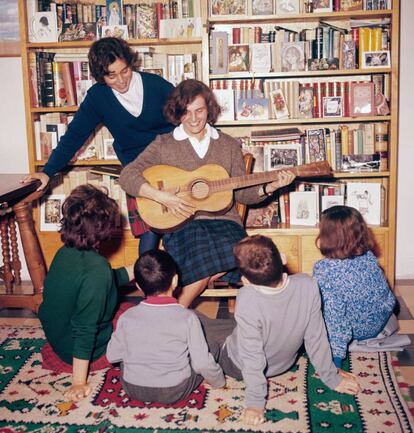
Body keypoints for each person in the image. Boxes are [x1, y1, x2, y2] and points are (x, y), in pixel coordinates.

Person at [119, 79, 295, 308]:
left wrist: (270, 187)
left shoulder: (227, 145)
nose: (193, 118)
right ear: (177, 112)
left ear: (209, 109)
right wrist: (160, 196)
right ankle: (184, 306)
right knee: (202, 244)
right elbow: (127, 175)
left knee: (239, 251)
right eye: (186, 112)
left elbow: (243, 195)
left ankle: (173, 311)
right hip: (182, 225)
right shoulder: (163, 144)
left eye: (199, 110)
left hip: (224, 224)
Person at [23, 37, 174, 254]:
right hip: (138, 172)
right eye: (111, 75)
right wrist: (47, 172)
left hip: (173, 164)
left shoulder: (156, 85)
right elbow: (74, 136)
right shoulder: (98, 97)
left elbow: (189, 115)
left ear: (131, 64)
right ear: (100, 76)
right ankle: (149, 285)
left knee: (177, 230)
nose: (122, 80)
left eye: (125, 71)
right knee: (150, 232)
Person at [212, 235, 360, 426]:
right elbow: (316, 337)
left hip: (236, 364)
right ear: (282, 258)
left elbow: (251, 356)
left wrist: (255, 403)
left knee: (199, 327)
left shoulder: (246, 297)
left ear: (245, 280)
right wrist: (330, 376)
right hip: (283, 364)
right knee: (229, 328)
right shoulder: (308, 284)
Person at [38, 184, 134, 402]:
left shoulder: (65, 252)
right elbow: (85, 329)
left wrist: (135, 269)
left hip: (57, 336)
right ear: (103, 228)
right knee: (134, 317)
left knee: (121, 308)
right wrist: (78, 382)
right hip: (74, 350)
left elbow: (104, 279)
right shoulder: (97, 269)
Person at [106, 249, 225, 403]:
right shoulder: (188, 317)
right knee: (211, 347)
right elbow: (202, 363)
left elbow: (113, 355)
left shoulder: (127, 316)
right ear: (175, 281)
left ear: (139, 287)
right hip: (173, 391)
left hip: (132, 388)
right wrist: (219, 382)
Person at [313, 205, 396, 368]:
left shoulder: (324, 269)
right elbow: (385, 294)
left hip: (355, 330)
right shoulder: (368, 256)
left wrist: (335, 359)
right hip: (379, 321)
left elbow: (334, 316)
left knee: (311, 304)